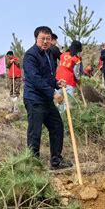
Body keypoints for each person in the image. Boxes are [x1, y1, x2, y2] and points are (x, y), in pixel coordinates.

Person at [23, 26, 71, 170]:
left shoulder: (49, 54)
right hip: (34, 99)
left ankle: (56, 161)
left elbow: (47, 77)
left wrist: (56, 83)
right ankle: (33, 164)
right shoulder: (31, 55)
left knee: (57, 126)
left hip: (46, 99)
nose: (45, 41)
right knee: (35, 132)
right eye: (42, 38)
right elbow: (35, 78)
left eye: (48, 39)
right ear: (36, 39)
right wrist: (53, 93)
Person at [55, 41, 83, 112]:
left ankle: (59, 115)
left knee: (59, 101)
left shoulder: (63, 55)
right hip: (69, 81)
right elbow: (76, 72)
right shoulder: (76, 59)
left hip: (58, 80)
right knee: (69, 102)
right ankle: (66, 118)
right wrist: (78, 80)